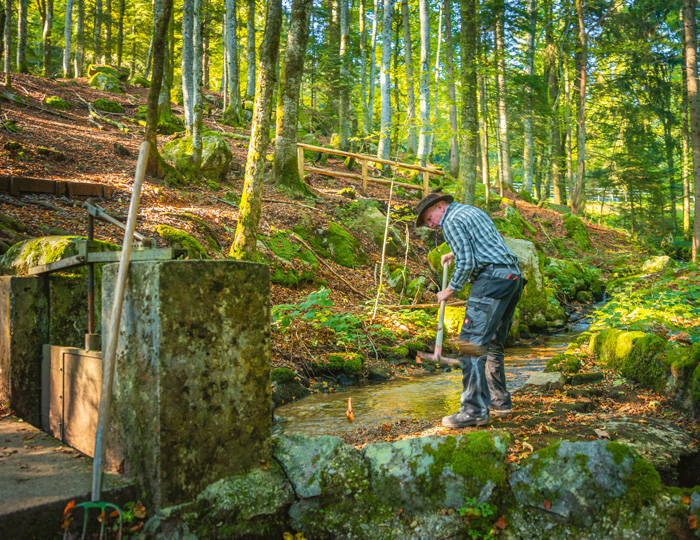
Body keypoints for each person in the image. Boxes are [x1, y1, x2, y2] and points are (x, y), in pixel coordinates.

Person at [415, 190, 526, 428]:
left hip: (492, 281)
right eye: (427, 222)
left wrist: (450, 289)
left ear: (441, 206)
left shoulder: (450, 221)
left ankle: (474, 410)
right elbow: (483, 244)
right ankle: (499, 402)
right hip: (512, 277)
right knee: (493, 343)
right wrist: (452, 252)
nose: (431, 224)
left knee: (470, 344)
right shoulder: (471, 212)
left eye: (429, 218)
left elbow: (469, 262)